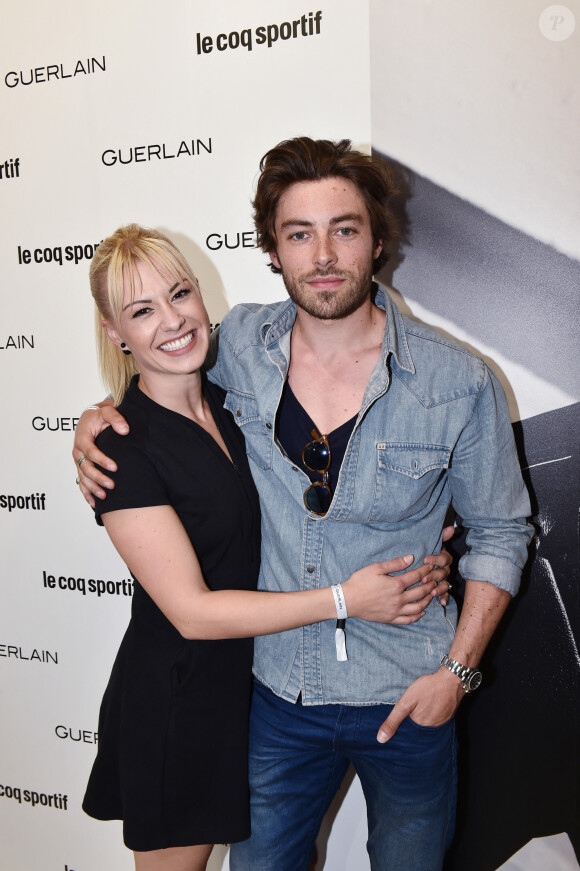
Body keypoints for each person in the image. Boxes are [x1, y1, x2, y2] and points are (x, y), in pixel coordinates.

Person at [74, 139, 533, 871]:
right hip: (273, 700)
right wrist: (97, 415)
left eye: (344, 229)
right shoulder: (235, 351)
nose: (323, 254)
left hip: (410, 695)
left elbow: (504, 531)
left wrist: (458, 673)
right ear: (274, 251)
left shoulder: (458, 382)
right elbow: (158, 374)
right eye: (299, 234)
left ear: (378, 239)